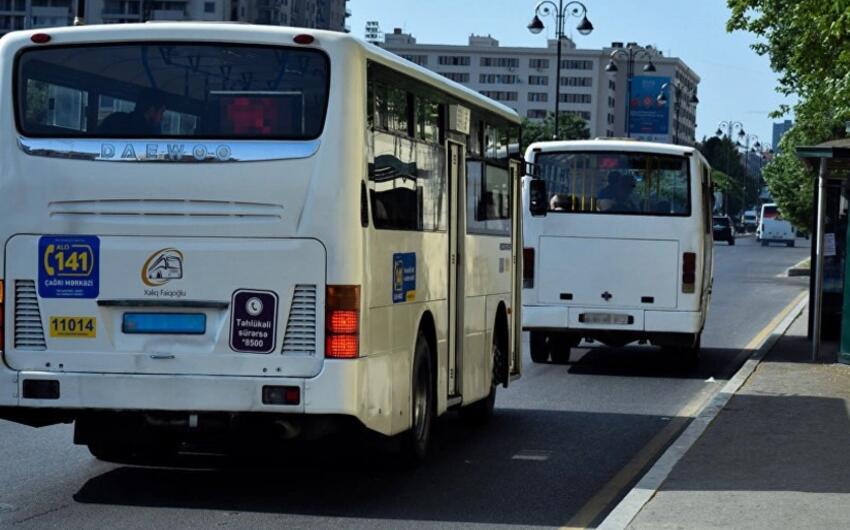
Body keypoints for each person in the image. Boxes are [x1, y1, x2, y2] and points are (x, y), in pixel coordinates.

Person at [97, 90, 166, 136]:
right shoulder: (149, 134)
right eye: (161, 112)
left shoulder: (115, 119)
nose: (162, 118)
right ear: (152, 110)